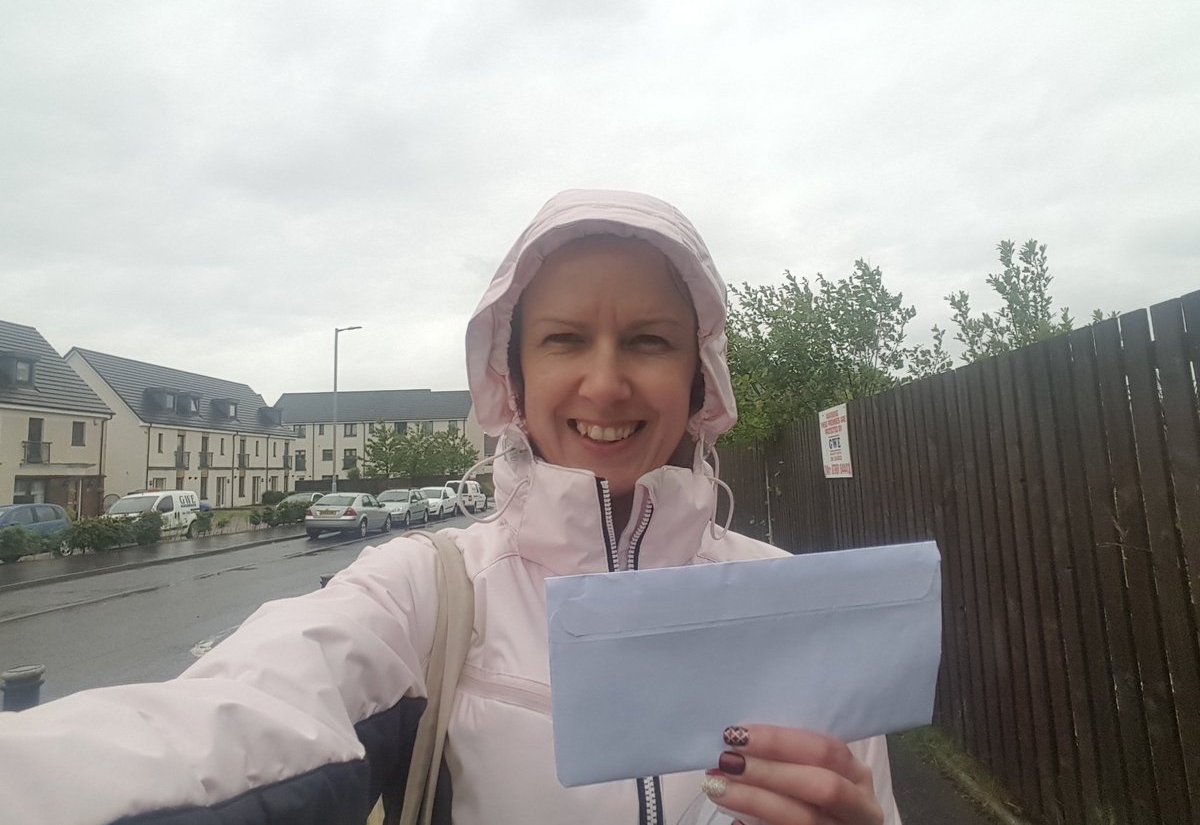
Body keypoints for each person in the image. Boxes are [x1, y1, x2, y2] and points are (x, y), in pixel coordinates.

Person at [0, 189, 899, 825]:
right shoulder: (428, 593)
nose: (605, 381)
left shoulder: (792, 612)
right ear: (512, 380)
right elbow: (232, 717)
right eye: (564, 339)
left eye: (649, 341)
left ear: (699, 378)